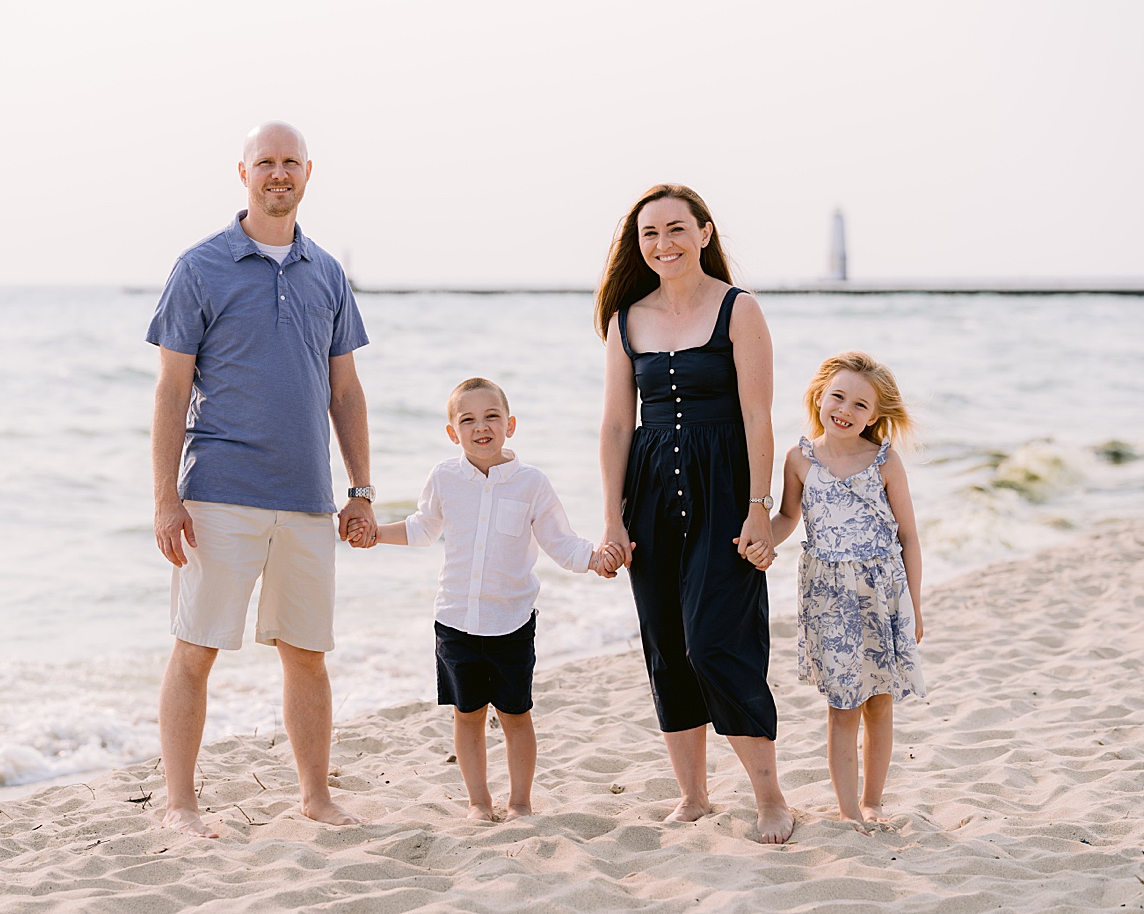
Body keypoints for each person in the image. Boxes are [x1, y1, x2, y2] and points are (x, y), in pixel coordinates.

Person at [147, 121, 377, 837]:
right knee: (196, 649)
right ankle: (181, 804)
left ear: (308, 172)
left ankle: (315, 796)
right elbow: (170, 390)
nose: (278, 173)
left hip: (307, 499)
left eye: (289, 163)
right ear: (241, 172)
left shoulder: (328, 273)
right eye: (264, 162)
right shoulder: (200, 267)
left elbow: (346, 392)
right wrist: (165, 497)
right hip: (218, 494)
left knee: (308, 656)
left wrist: (361, 489)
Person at [595, 184, 794, 844]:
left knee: (718, 641)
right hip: (648, 495)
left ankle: (770, 798)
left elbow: (758, 416)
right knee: (665, 647)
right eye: (650, 234)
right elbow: (617, 427)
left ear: (705, 233)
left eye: (676, 229)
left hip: (724, 489)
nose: (664, 244)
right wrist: (612, 520)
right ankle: (695, 796)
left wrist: (760, 508)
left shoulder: (738, 309)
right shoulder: (627, 319)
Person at [347, 377, 625, 821]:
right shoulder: (444, 477)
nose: (481, 427)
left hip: (512, 621)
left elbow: (560, 541)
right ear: (452, 432)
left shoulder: (531, 483)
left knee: (516, 716)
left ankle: (519, 803)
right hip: (455, 620)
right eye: (468, 419)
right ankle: (479, 803)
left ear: (510, 424)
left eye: (492, 417)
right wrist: (376, 535)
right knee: (467, 714)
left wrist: (595, 559)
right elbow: (422, 528)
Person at [752, 351, 926, 831]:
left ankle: (873, 801)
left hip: (882, 593)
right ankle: (848, 810)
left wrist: (914, 605)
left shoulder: (885, 462)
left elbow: (908, 537)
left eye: (861, 405)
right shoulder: (799, 460)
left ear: (876, 416)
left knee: (880, 702)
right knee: (843, 706)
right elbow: (789, 518)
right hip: (829, 599)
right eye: (839, 397)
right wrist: (758, 534)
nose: (846, 410)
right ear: (819, 396)